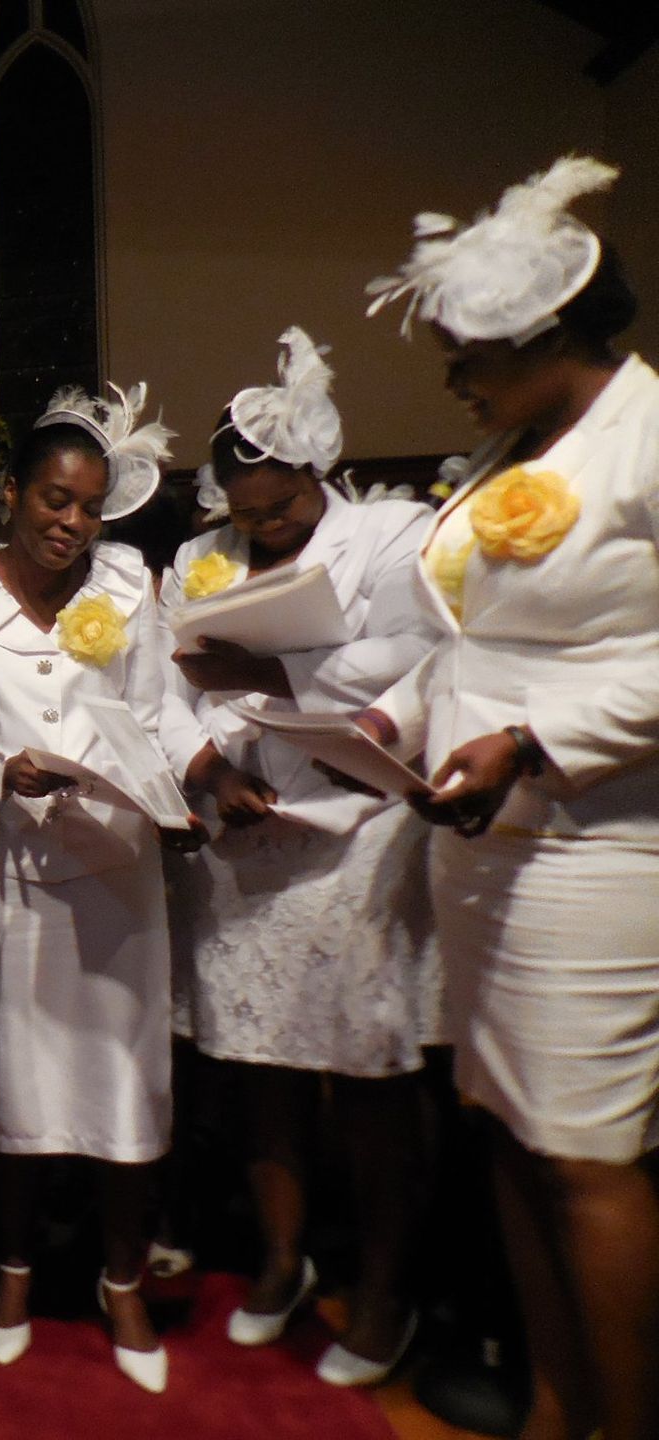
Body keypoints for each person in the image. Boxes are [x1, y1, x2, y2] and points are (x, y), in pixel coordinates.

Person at [359, 156, 659, 1440]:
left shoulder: (649, 437)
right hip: (478, 842)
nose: (449, 377)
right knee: (509, 1135)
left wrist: (535, 742)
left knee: (586, 1153)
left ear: (543, 336)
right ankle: (553, 1405)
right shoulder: (508, 444)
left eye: (465, 350)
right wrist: (398, 715)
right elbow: (470, 638)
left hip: (593, 852)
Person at [161, 328, 444, 1385]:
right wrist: (205, 770)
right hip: (247, 835)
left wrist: (273, 665)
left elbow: (413, 660)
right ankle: (282, 1259)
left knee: (365, 1073)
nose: (264, 528)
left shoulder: (391, 535)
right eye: (246, 514)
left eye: (280, 509)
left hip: (363, 829)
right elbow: (166, 682)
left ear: (319, 474)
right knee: (258, 1067)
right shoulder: (201, 558)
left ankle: (385, 1285)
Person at [0, 382, 195, 1395]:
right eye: (55, 500)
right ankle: (10, 1272)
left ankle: (121, 1277)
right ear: (11, 493)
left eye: (90, 507)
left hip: (114, 866)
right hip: (2, 862)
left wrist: (193, 781)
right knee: (12, 1076)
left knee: (122, 1077)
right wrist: (1, 763)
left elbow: (161, 713)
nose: (74, 524)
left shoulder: (131, 583)